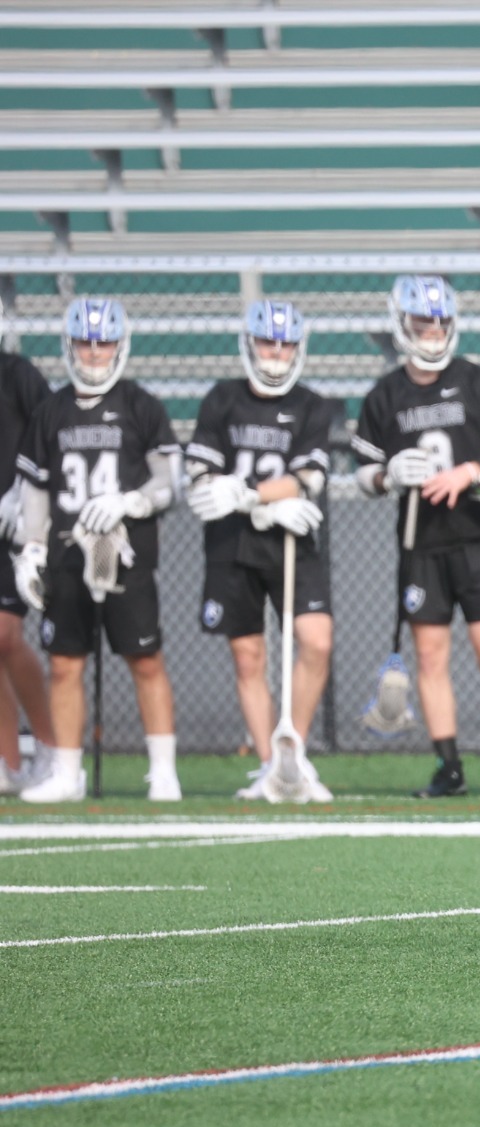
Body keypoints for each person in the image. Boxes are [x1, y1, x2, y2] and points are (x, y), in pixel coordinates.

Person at [352, 276, 480, 799]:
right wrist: (389, 474)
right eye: (423, 322)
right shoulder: (385, 394)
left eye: (440, 322)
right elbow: (363, 476)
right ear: (403, 324)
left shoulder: (476, 381)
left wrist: (475, 471)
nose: (433, 332)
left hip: (477, 535)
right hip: (422, 544)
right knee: (430, 656)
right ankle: (449, 765)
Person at [12, 299, 181, 802]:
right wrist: (32, 547)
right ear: (69, 346)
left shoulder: (140, 406)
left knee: (144, 658)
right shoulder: (52, 410)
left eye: (102, 341)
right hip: (67, 554)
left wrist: (131, 500)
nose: (93, 351)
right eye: (85, 342)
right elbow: (36, 488)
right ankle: (66, 772)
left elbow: (168, 481)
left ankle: (163, 772)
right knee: (64, 662)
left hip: (124, 551)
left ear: (119, 344)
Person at [185, 302, 342, 803]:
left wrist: (250, 497)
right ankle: (271, 766)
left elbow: (307, 478)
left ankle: (292, 750)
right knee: (248, 655)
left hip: (291, 538)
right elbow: (202, 484)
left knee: (316, 641)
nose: (276, 353)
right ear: (249, 344)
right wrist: (257, 500)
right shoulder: (222, 399)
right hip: (232, 545)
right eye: (268, 342)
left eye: (286, 344)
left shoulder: (313, 405)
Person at [0, 320, 54, 797]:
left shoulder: (17, 374)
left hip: (10, 526)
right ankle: (9, 762)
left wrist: (23, 495)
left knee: (5, 635)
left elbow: (50, 432)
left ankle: (49, 745)